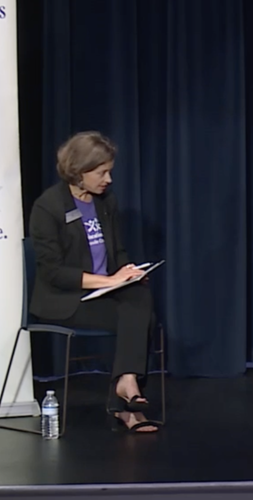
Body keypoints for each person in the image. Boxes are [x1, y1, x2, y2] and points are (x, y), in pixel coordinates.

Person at [29, 131, 161, 433]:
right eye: (102, 172)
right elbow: (53, 272)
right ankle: (126, 405)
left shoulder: (105, 202)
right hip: (65, 299)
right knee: (142, 319)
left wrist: (127, 271)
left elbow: (116, 250)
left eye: (110, 171)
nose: (109, 179)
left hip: (105, 290)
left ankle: (127, 385)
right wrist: (108, 279)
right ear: (78, 172)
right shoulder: (47, 207)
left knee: (140, 298)